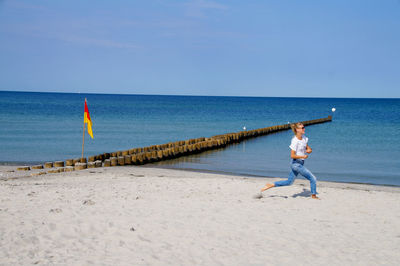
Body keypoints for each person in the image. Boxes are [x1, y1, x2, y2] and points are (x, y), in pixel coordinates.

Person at [261, 122, 319, 199]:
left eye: (304, 127)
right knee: (313, 178)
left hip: (300, 163)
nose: (304, 129)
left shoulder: (304, 138)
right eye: (302, 128)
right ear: (297, 130)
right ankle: (314, 195)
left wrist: (309, 150)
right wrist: (302, 156)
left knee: (289, 182)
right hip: (296, 164)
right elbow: (292, 155)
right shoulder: (295, 141)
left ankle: (272, 184)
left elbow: (308, 148)